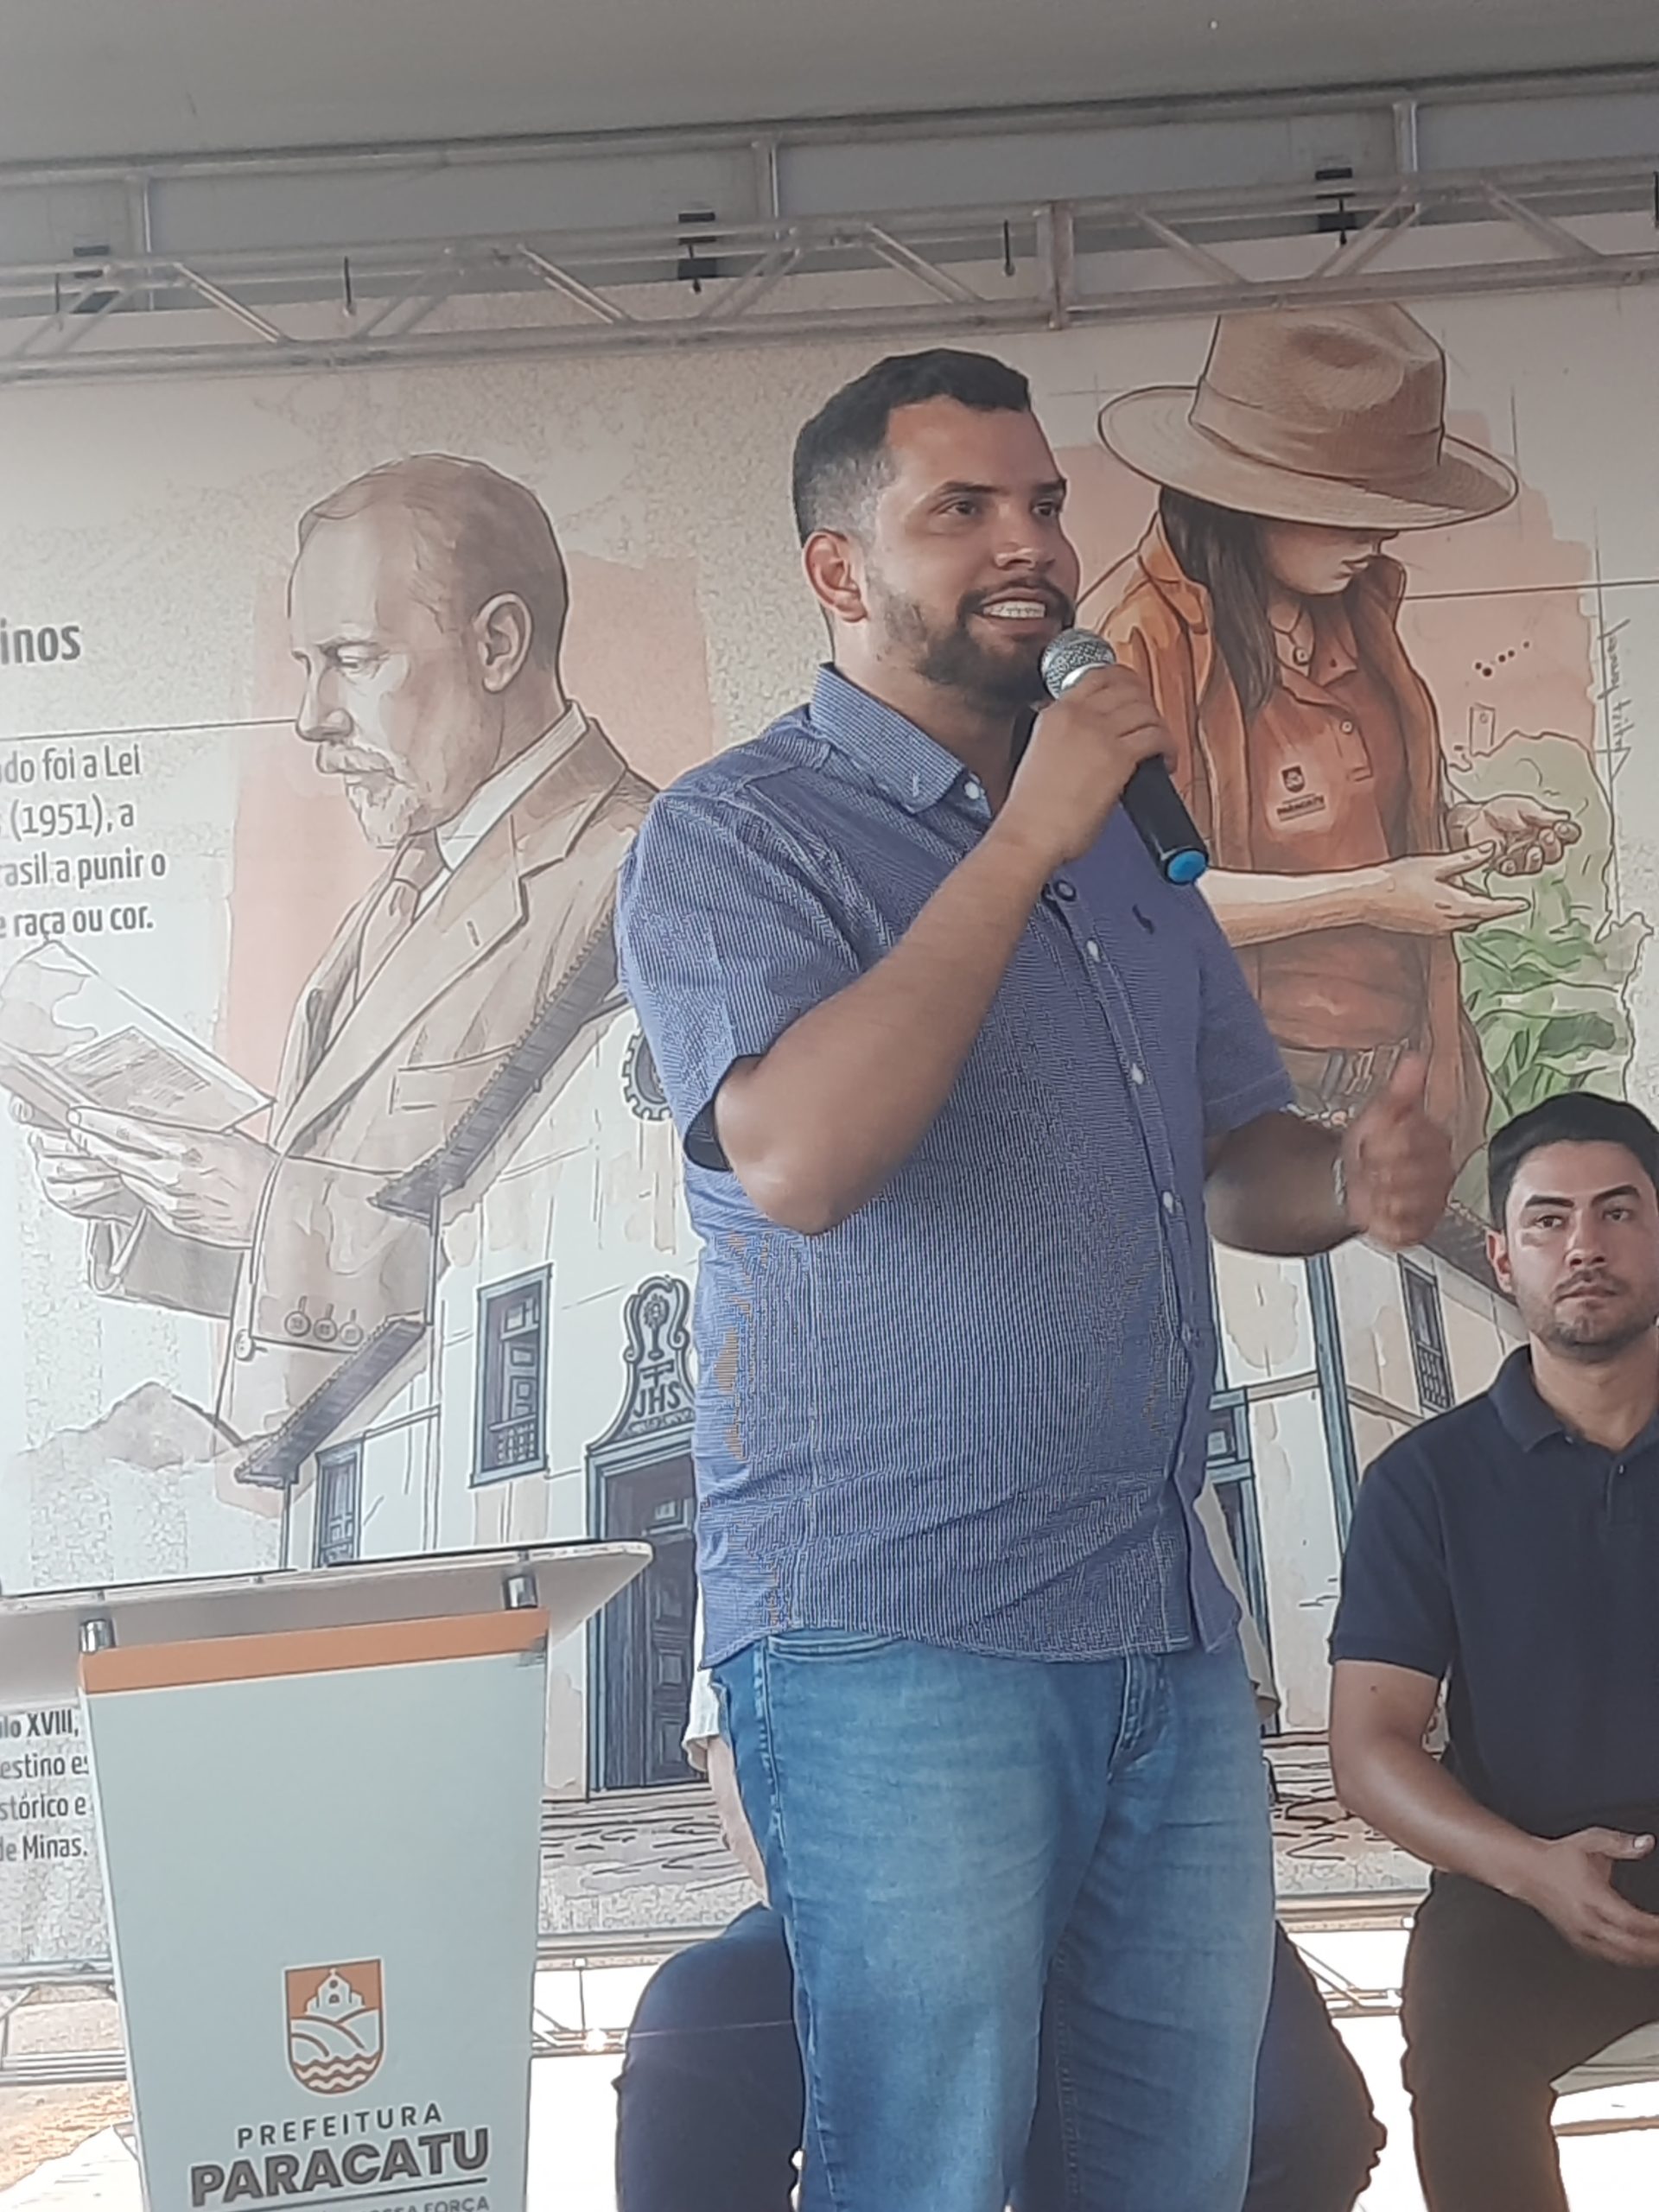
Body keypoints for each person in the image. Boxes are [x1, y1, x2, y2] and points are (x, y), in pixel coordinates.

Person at [617, 346, 1452, 2212]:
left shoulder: (1132, 844)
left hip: (1161, 1623)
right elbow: (801, 1161)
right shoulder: (737, 832)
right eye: (965, 509)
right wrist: (1022, 839)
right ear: (839, 571)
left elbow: (1240, 1159)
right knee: (927, 2168)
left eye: (1048, 503)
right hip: (895, 1630)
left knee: (1179, 2170)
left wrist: (1351, 1181)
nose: (1034, 545)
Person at [22, 454, 652, 1449]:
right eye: (306, 665)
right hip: (337, 1497)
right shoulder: (423, 869)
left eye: (351, 659)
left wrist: (268, 1206)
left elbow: (615, 1251)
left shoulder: (643, 873)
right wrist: (152, 1196)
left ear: (497, 643)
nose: (312, 717)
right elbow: (344, 1273)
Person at [616, 1486, 1385, 2212]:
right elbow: (743, 1787)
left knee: (1304, 2117)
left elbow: (1210, 1748)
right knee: (694, 2029)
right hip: (883, 1898)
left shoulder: (1143, 1447)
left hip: (1123, 1885)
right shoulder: (794, 1470)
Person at [1082, 302, 1578, 1171]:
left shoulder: (1356, 611)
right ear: (1245, 499)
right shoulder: (1137, 647)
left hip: (1404, 1089)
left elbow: (1368, 813)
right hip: (1252, 1116)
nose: (1376, 537)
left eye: (1386, 509)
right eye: (1347, 509)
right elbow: (1128, 904)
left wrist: (1464, 825)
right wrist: (1370, 896)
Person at [1330, 1088, 1659, 2211]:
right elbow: (1369, 1746)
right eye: (1550, 1220)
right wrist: (1530, 1869)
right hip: (1522, 1880)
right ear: (1506, 1259)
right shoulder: (1425, 1485)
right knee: (1461, 2041)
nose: (1586, 1246)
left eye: (1619, 1212)